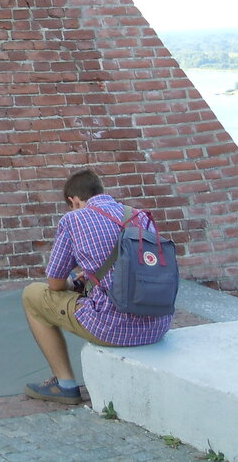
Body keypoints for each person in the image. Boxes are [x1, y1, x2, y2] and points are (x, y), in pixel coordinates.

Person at [21, 168, 173, 404]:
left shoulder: (73, 219)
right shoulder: (138, 216)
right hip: (158, 324)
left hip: (112, 328)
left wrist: (75, 282)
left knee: (32, 295)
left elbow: (55, 283)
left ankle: (65, 385)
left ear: (73, 201)